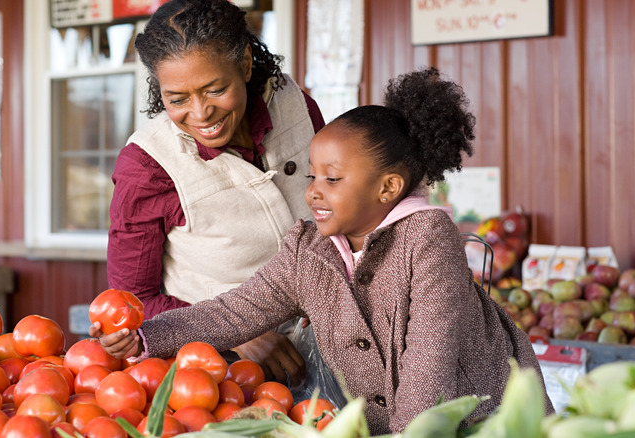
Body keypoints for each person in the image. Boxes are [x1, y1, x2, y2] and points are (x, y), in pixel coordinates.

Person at [93, 67, 554, 434]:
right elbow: (233, 313)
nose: (313, 191)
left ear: (387, 188)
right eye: (311, 176)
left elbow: (427, 367)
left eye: (332, 179)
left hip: (484, 422)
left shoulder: (430, 243)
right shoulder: (309, 249)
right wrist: (147, 337)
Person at [105, 0, 326, 386]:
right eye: (177, 99)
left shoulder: (296, 105)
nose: (201, 112)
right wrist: (238, 333)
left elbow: (339, 204)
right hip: (218, 374)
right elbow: (133, 300)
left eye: (215, 89)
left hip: (329, 341)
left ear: (243, 63)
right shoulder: (147, 166)